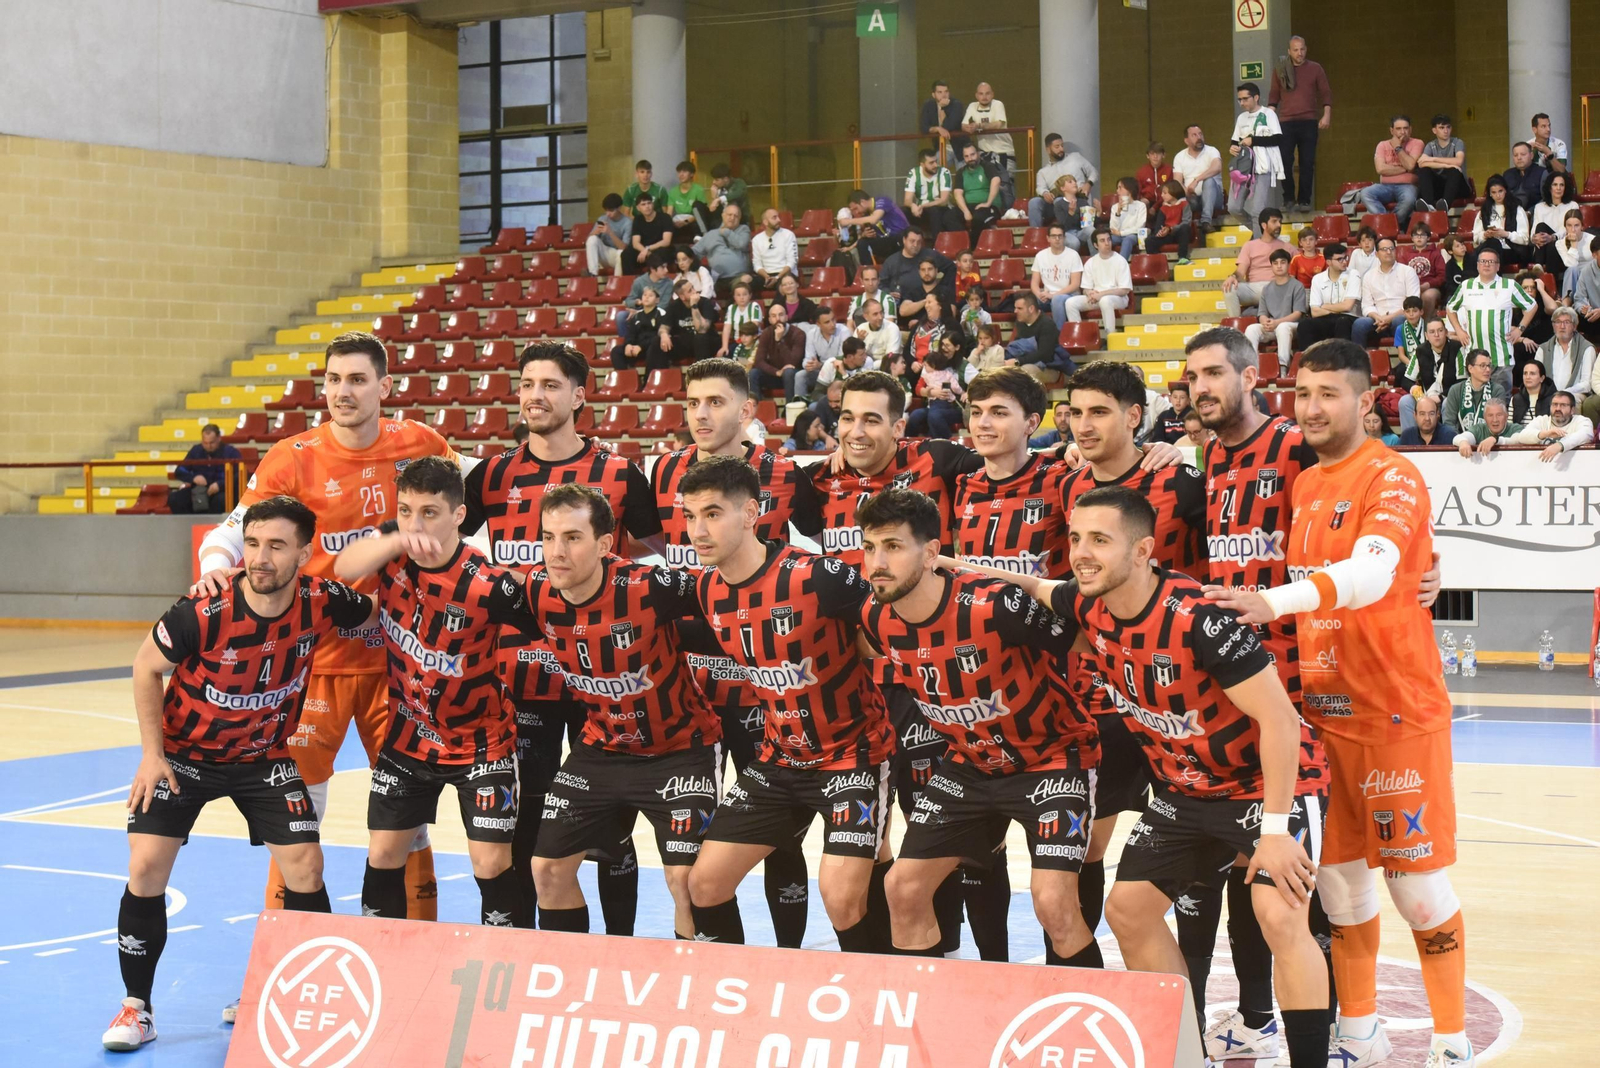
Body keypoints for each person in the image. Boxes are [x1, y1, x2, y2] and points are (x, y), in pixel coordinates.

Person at [1206, 338, 1473, 1068]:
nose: (1313, 407)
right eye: (1304, 393)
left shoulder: (1393, 475)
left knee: (1417, 891)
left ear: (1365, 400)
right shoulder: (1305, 483)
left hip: (1397, 719)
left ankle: (1451, 1042)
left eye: (1329, 394)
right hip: (1322, 718)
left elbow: (1374, 571)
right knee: (1343, 891)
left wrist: (1272, 602)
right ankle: (1359, 1030)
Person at [1050, 487, 1331, 1068]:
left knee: (1278, 915)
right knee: (1127, 911)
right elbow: (1032, 587)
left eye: (1100, 540)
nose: (1081, 552)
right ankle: (1184, 1055)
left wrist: (1276, 831)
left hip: (1269, 788)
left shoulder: (1201, 619)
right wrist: (949, 565)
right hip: (1185, 793)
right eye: (1076, 538)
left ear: (1143, 550)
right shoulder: (1086, 603)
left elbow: (1280, 720)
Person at [194, 333, 456, 937]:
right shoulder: (292, 459)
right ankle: (284, 962)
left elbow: (475, 510)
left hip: (402, 665)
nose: (343, 391)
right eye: (334, 380)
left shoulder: (423, 445)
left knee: (407, 821)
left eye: (358, 379)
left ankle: (415, 951)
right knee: (297, 819)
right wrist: (214, 570)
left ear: (384, 387)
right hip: (311, 668)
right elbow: (232, 532)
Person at [103, 497, 358, 1051]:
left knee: (307, 868)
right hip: (184, 757)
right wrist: (152, 755)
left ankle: (305, 994)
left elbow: (374, 609)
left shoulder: (322, 601)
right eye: (253, 543)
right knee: (145, 868)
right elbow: (146, 666)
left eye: (276, 546)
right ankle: (137, 1008)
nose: (260, 558)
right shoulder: (203, 609)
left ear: (304, 553)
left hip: (262, 759)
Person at [460, 343, 667, 931]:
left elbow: (661, 561)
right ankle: (531, 952)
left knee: (609, 828)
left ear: (579, 395)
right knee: (526, 822)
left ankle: (617, 946)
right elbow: (447, 544)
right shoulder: (495, 474)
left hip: (605, 677)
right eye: (526, 384)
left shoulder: (621, 474)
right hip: (521, 680)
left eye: (549, 385)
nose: (534, 396)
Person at [859, 487, 1100, 965]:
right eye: (868, 547)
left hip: (1049, 759)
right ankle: (924, 1027)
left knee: (1053, 904)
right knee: (903, 889)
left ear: (931, 554)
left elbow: (1094, 644)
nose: (876, 562)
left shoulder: (995, 606)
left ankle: (1080, 1024)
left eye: (892, 546)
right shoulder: (875, 616)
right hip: (969, 766)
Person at [681, 457, 895, 951]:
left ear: (752, 512)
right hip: (779, 760)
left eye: (712, 513)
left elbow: (891, 628)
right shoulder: (708, 589)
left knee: (840, 898)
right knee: (704, 885)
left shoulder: (818, 576)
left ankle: (877, 1001)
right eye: (690, 516)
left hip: (854, 755)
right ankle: (731, 1003)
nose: (698, 529)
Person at [332, 457, 529, 932]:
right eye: (405, 510)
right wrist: (395, 538)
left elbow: (550, 626)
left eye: (430, 513)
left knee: (489, 865)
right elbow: (343, 567)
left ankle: (504, 964)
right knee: (382, 854)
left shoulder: (489, 583)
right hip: (408, 738)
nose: (415, 524)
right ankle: (382, 960)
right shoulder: (392, 548)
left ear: (459, 516)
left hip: (482, 744)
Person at [515, 485, 722, 939]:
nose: (557, 551)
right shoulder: (534, 588)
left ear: (605, 544)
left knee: (685, 882)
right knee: (546, 870)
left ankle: (695, 990)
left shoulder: (651, 586)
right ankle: (568, 979)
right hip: (601, 749)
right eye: (548, 538)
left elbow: (733, 593)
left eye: (572, 537)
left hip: (679, 749)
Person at [1446, 246, 1535, 394]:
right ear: (1477, 264)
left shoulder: (1510, 286)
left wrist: (1520, 330)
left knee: (1500, 406)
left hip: (1501, 359)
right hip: (1474, 360)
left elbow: (1532, 306)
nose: (1487, 264)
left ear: (1498, 266)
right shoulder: (1466, 286)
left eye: (1491, 262)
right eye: (1483, 261)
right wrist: (1459, 331)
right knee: (1475, 405)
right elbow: (1450, 308)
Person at [1268, 35, 1332, 211]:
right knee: (1284, 160)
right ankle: (1288, 198)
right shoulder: (1280, 69)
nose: (1299, 53)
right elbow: (1274, 94)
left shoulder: (1315, 68)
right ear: (1289, 51)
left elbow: (1325, 92)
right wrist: (1269, 115)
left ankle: (1304, 200)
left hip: (1309, 121)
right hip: (1286, 122)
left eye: (1302, 49)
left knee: (1307, 162)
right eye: (1295, 50)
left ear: (1306, 49)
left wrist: (1326, 114)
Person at [1228, 82, 1285, 229]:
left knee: (1257, 211)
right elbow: (1235, 140)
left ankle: (1259, 241)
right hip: (1244, 168)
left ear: (1256, 97)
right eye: (1239, 99)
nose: (1242, 102)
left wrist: (1253, 140)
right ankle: (1261, 233)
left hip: (1263, 167)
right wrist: (1232, 148)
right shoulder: (1241, 118)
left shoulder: (1268, 114)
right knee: (1233, 207)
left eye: (1245, 99)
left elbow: (1278, 138)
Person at [1223, 207, 1293, 319]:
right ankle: (1237, 326)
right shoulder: (1249, 245)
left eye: (1280, 222)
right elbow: (1241, 271)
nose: (1279, 225)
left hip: (1277, 286)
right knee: (1229, 288)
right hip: (1254, 288)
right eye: (1274, 221)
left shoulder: (1287, 247)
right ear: (1264, 225)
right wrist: (1232, 277)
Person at [1357, 114, 1423, 228]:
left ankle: (1388, 226)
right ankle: (1388, 223)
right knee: (1365, 193)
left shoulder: (1417, 143)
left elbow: (1410, 165)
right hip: (1385, 186)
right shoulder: (1382, 145)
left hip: (1407, 186)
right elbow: (1380, 169)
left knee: (1409, 200)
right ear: (1391, 131)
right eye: (1398, 129)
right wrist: (1405, 169)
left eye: (1406, 128)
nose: (1403, 132)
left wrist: (1398, 148)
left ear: (1410, 129)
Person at [1395, 317, 1460, 432]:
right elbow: (1406, 380)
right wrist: (1418, 394)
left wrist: (1440, 397)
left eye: (1440, 331)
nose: (1436, 335)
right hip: (1426, 397)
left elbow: (1462, 383)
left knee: (1446, 403)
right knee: (1405, 402)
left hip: (1448, 397)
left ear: (1446, 332)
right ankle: (1412, 442)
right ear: (1426, 335)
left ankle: (1449, 441)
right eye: (1432, 332)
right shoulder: (1420, 350)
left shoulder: (1457, 348)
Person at [1537, 307, 1600, 422]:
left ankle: (1570, 436)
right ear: (1553, 325)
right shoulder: (1543, 349)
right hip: (1548, 394)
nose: (1562, 326)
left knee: (1570, 401)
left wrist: (1565, 393)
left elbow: (1587, 383)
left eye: (1567, 322)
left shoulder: (1586, 348)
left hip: (1575, 393)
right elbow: (1537, 379)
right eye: (1558, 322)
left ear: (1574, 326)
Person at [1358, 236, 1421, 347]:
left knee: (1400, 321)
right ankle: (1357, 363)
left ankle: (1409, 362)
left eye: (1391, 249)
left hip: (1400, 316)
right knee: (1360, 324)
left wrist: (1389, 318)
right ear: (1376, 254)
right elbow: (1366, 305)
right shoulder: (1369, 276)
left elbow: (1413, 302)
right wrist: (1378, 317)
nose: (1388, 252)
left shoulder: (1407, 272)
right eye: (1384, 249)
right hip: (1377, 320)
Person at [167, 424, 242, 514]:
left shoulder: (231, 452)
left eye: (212, 443)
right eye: (205, 443)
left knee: (221, 500)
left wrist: (220, 484)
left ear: (219, 438)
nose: (208, 446)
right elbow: (180, 471)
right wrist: (193, 478)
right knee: (175, 498)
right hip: (199, 490)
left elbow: (239, 475)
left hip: (222, 490)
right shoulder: (196, 450)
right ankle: (188, 525)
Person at [1069, 228, 1133, 333]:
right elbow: (1085, 288)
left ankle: (1111, 335)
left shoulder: (1120, 261)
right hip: (1096, 297)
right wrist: (1090, 293)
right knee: (1070, 303)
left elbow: (1124, 290)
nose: (1107, 243)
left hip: (1118, 299)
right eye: (1102, 241)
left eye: (1108, 240)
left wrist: (1101, 294)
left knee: (1105, 301)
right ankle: (1080, 335)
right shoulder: (1090, 262)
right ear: (1095, 245)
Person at [1303, 243, 1368, 347]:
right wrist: (1335, 309)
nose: (1344, 262)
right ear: (1329, 262)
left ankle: (1341, 360)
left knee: (1342, 322)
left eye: (1345, 258)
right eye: (1339, 259)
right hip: (1327, 317)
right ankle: (1309, 360)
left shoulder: (1353, 274)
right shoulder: (1318, 279)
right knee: (1305, 324)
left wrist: (1325, 306)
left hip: (1349, 317)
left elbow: (1347, 306)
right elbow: (1314, 311)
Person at [961, 82, 1015, 205]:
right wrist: (969, 128)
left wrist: (979, 126)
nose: (984, 97)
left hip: (1003, 151)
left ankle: (1009, 211)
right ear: (976, 95)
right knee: (989, 183)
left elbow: (998, 124)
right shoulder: (972, 106)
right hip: (984, 152)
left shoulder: (998, 104)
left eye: (987, 93)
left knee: (1006, 184)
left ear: (992, 94)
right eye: (981, 94)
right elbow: (964, 125)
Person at [1244, 248, 1306, 355]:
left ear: (1288, 265)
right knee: (1251, 329)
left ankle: (1283, 368)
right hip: (1273, 326)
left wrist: (1277, 322)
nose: (1279, 266)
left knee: (1283, 327)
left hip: (1293, 326)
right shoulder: (1267, 288)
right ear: (1271, 266)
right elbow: (1262, 313)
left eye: (1283, 262)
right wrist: (1265, 322)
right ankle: (1251, 366)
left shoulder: (1297, 286)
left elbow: (1298, 313)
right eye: (1275, 263)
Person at [1031, 132, 1099, 228]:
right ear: (1048, 149)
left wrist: (1089, 184)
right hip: (1055, 206)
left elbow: (1094, 172)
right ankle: (1036, 233)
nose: (1061, 149)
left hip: (1078, 199)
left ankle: (1068, 231)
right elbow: (1040, 188)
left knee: (1060, 200)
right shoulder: (1043, 172)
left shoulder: (1075, 157)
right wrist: (1045, 193)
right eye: (1057, 146)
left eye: (1062, 145)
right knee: (1034, 202)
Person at [1505, 389, 1595, 461]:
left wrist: (1560, 445)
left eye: (1563, 405)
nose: (1558, 408)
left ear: (1572, 410)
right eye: (1555, 405)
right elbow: (1522, 436)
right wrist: (1545, 434)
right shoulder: (1541, 420)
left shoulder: (1582, 421)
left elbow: (1585, 435)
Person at [877, 227, 956, 303]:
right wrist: (888, 293)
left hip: (930, 301)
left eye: (919, 242)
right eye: (912, 241)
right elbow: (880, 284)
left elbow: (951, 267)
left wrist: (943, 287)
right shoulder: (891, 261)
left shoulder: (931, 255)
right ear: (904, 240)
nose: (915, 245)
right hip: (902, 304)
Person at [1442, 348, 1509, 435]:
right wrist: (1461, 441)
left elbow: (1499, 422)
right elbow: (1449, 423)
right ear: (1470, 368)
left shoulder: (1497, 390)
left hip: (1488, 442)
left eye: (1489, 365)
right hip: (1461, 443)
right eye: (1482, 365)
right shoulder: (1456, 390)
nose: (1488, 370)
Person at [1005, 293, 1070, 381]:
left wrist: (1018, 361)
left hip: (1049, 367)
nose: (1015, 311)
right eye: (1015, 308)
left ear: (1031, 309)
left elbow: (1044, 355)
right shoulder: (1020, 322)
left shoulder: (1047, 324)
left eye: (1019, 308)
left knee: (1026, 371)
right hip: (1026, 361)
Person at [749, 301, 807, 402]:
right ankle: (759, 410)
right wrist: (776, 372)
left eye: (781, 315)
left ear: (787, 317)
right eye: (774, 316)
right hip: (775, 374)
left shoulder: (798, 334)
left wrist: (779, 341)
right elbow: (759, 361)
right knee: (753, 373)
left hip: (792, 375)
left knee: (788, 372)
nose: (778, 319)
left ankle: (789, 408)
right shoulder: (766, 333)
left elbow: (793, 362)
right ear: (770, 320)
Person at [1030, 223, 1084, 329]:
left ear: (1064, 237)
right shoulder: (1040, 256)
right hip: (1047, 295)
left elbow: (1075, 284)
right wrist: (1039, 294)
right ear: (1048, 238)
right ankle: (1029, 337)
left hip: (1069, 295)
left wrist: (1054, 295)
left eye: (1060, 236)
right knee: (1027, 302)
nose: (1057, 239)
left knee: (1057, 300)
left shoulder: (1073, 255)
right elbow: (1034, 283)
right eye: (1054, 236)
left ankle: (1058, 337)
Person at [1173, 124, 1224, 231]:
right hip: (1193, 198)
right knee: (1176, 196)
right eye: (1194, 135)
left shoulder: (1211, 151)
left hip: (1214, 198)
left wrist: (1197, 180)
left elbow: (1217, 167)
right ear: (1186, 140)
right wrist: (1186, 191)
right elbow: (1177, 181)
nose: (1199, 137)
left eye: (1200, 134)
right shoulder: (1179, 156)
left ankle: (1206, 221)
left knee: (1209, 181)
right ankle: (1180, 227)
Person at [1471, 175, 1530, 268]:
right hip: (1489, 248)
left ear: (1505, 190)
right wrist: (1485, 235)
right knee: (1492, 244)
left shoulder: (1517, 209)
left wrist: (1506, 234)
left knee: (1492, 246)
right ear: (1490, 194)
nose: (1498, 195)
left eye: (1500, 191)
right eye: (1494, 192)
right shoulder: (1485, 211)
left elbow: (1525, 239)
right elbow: (1476, 237)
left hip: (1511, 250)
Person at [1414, 114, 1469, 211]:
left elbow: (1459, 161)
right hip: (1440, 187)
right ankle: (1429, 205)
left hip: (1458, 187)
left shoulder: (1457, 142)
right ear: (1434, 130)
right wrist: (1446, 165)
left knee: (1454, 171)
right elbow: (1421, 163)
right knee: (1424, 171)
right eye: (1441, 127)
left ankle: (1445, 206)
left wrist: (1432, 159)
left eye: (1448, 127)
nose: (1446, 131)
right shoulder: (1430, 145)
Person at [610, 282, 669, 371]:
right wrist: (628, 345)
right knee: (616, 351)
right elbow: (630, 333)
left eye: (650, 295)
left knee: (654, 347)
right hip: (636, 347)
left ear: (657, 300)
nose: (646, 297)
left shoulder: (661, 314)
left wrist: (641, 347)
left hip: (650, 347)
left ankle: (648, 380)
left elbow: (657, 336)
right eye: (644, 295)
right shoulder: (636, 315)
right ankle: (625, 380)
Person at [659, 277, 719, 365]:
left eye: (693, 288)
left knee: (700, 338)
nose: (695, 291)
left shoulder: (705, 303)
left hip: (708, 342)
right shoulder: (674, 306)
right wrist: (664, 334)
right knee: (657, 341)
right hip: (687, 343)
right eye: (690, 291)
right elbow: (664, 326)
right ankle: (655, 375)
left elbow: (701, 329)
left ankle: (701, 374)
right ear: (682, 297)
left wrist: (694, 306)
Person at [953, 141, 1002, 246]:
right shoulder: (961, 172)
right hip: (969, 207)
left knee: (978, 218)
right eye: (966, 156)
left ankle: (972, 248)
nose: (970, 158)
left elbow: (996, 180)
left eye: (972, 154)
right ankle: (962, 244)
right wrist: (966, 211)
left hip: (988, 206)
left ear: (978, 153)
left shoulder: (987, 166)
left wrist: (988, 203)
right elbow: (957, 193)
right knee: (949, 217)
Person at [845, 186, 911, 265]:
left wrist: (848, 221)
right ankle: (868, 272)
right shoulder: (866, 215)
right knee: (863, 243)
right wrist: (863, 236)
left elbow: (874, 219)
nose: (856, 212)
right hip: (886, 241)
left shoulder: (882, 201)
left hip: (901, 236)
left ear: (862, 202)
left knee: (900, 238)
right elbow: (870, 234)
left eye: (856, 208)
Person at [797, 306, 853, 398]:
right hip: (821, 372)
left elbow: (841, 360)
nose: (832, 324)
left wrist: (820, 365)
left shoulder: (844, 331)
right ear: (818, 324)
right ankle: (798, 405)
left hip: (840, 372)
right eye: (827, 322)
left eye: (833, 319)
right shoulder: (811, 334)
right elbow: (808, 357)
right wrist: (809, 365)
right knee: (800, 375)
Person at [1530, 173, 1579, 276]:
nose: (1558, 188)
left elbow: (1569, 229)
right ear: (1549, 187)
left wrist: (1553, 237)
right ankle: (1538, 265)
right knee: (1541, 226)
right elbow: (1535, 228)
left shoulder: (1572, 205)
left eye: (1562, 185)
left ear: (1566, 188)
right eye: (1555, 185)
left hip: (1563, 245)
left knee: (1553, 245)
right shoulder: (1539, 207)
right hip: (1542, 247)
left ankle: (1545, 274)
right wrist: (1534, 238)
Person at [693, 203, 752, 287]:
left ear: (739, 219)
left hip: (739, 277)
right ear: (723, 215)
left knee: (744, 284)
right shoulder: (711, 234)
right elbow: (693, 253)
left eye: (736, 216)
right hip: (717, 279)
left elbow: (741, 244)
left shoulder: (744, 230)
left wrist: (726, 232)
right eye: (729, 215)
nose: (732, 218)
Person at [904, 147, 958, 237]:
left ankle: (936, 245)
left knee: (934, 210)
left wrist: (923, 205)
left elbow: (944, 201)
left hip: (940, 209)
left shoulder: (944, 173)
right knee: (903, 211)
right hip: (921, 210)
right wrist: (913, 205)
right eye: (931, 163)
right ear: (922, 164)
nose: (935, 165)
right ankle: (904, 245)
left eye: (936, 161)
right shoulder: (913, 173)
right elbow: (907, 200)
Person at [1398, 223, 1445, 316]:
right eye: (1416, 235)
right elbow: (1400, 274)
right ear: (1412, 238)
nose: (1419, 238)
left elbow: (1442, 276)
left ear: (1428, 238)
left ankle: (1426, 325)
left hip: (1431, 287)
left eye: (1422, 235)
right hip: (1410, 287)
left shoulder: (1435, 254)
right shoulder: (1406, 255)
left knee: (1427, 296)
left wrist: (1428, 285)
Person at [1451, 397, 1524, 457]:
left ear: (1506, 416)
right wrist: (1463, 442)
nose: (1495, 420)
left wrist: (1495, 439)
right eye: (1490, 415)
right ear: (1484, 418)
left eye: (1499, 415)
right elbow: (1457, 438)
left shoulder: (1515, 428)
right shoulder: (1479, 429)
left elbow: (1516, 440)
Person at [750, 208, 799, 293]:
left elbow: (792, 261)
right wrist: (767, 277)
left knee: (783, 286)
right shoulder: (757, 239)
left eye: (778, 217)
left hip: (785, 274)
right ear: (765, 222)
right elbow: (757, 264)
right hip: (766, 275)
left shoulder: (788, 235)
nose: (779, 220)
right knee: (747, 286)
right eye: (774, 218)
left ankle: (776, 306)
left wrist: (777, 278)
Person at [585, 193, 633, 277]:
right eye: (606, 210)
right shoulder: (602, 219)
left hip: (619, 257)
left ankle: (617, 281)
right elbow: (588, 242)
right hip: (604, 254)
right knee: (592, 239)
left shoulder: (627, 222)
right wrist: (594, 232)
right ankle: (593, 273)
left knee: (621, 253)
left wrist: (610, 232)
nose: (608, 214)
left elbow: (624, 247)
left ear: (619, 208)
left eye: (611, 211)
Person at [1146, 179, 1194, 264]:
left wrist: (1171, 229)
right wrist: (1161, 232)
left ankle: (1182, 257)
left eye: (1165, 193)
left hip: (1179, 233)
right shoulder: (1163, 208)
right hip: (1168, 235)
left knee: (1185, 228)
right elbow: (1158, 225)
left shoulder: (1184, 204)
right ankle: (1156, 262)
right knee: (1149, 240)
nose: (1162, 195)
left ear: (1174, 192)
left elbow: (1186, 222)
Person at [717, 280, 763, 358]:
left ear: (750, 295)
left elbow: (753, 326)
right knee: (725, 356)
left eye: (744, 294)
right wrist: (724, 346)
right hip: (737, 342)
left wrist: (743, 339)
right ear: (734, 297)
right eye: (738, 295)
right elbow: (727, 329)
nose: (742, 297)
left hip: (752, 341)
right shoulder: (731, 308)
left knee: (743, 359)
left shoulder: (754, 306)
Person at [919, 79, 966, 154]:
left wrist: (942, 108)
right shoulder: (928, 106)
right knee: (935, 164)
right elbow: (923, 128)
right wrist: (937, 128)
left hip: (960, 148)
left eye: (946, 92)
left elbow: (948, 127)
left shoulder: (956, 105)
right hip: (940, 148)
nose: (944, 95)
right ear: (933, 95)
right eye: (939, 92)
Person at [664, 160, 708, 241]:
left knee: (697, 213)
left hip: (693, 221)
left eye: (684, 171)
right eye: (679, 172)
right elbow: (669, 212)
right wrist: (670, 222)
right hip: (678, 220)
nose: (681, 174)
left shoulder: (698, 189)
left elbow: (702, 213)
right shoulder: (673, 191)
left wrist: (686, 222)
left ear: (691, 174)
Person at [1107, 177, 1147, 260]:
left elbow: (1140, 227)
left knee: (1128, 240)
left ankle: (1121, 265)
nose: (1117, 191)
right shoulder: (1115, 207)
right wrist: (1118, 213)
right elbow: (1113, 228)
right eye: (1117, 188)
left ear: (1129, 189)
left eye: (1120, 187)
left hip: (1132, 234)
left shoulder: (1140, 206)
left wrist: (1121, 233)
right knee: (1105, 239)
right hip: (1117, 235)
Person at [629, 193, 673, 267]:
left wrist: (647, 249)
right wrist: (645, 251)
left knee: (662, 253)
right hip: (644, 249)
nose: (647, 206)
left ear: (653, 204)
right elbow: (635, 243)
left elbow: (666, 241)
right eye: (643, 204)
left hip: (660, 248)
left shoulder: (665, 218)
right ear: (638, 208)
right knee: (627, 254)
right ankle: (629, 278)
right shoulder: (637, 220)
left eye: (649, 203)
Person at [1503, 141, 1546, 216]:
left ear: (1531, 155)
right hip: (1510, 215)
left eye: (1523, 154)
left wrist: (1530, 212)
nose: (1519, 158)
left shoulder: (1542, 173)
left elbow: (1546, 198)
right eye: (1515, 155)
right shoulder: (1507, 174)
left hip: (1535, 215)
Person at [855, 298, 903, 363]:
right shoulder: (860, 329)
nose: (880, 317)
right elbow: (854, 358)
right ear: (866, 316)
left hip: (888, 368)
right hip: (866, 367)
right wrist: (859, 342)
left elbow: (890, 358)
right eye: (875, 314)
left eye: (881, 312)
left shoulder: (892, 328)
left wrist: (871, 366)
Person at [1510, 358, 1554, 423]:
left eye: (1532, 374)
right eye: (1525, 373)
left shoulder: (1553, 398)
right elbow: (1510, 425)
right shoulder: (1516, 399)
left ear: (1542, 378)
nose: (1528, 377)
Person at [1135, 142, 1173, 207]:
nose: (1155, 156)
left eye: (1158, 153)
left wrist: (1155, 207)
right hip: (1147, 201)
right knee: (1141, 204)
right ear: (1147, 156)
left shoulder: (1169, 170)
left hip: (1164, 201)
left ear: (1163, 155)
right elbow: (1137, 191)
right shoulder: (1142, 171)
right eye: (1152, 154)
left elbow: (1171, 191)